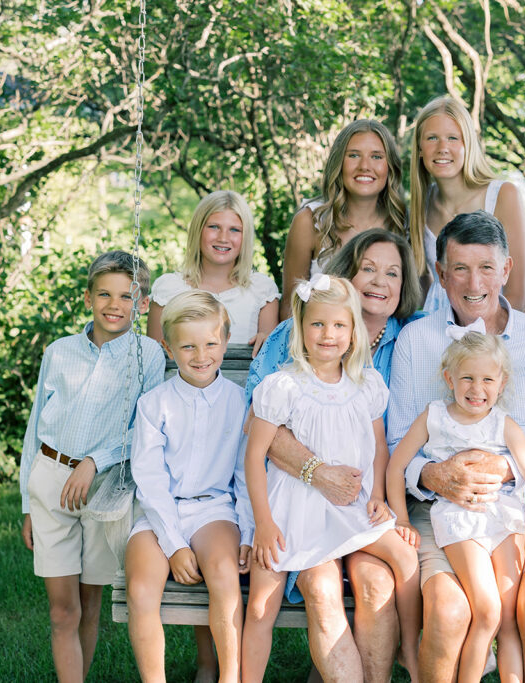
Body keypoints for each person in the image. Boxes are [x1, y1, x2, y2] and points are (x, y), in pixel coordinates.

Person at [387, 211, 525, 682]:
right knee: (446, 609)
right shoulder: (416, 341)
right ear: (441, 275)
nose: (473, 281)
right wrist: (432, 474)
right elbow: (398, 441)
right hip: (446, 506)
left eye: (486, 267)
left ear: (506, 270)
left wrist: (505, 471)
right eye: (460, 268)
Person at [244, 228, 424, 682]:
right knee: (264, 601)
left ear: (353, 333)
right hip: (296, 506)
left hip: (355, 503)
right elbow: (255, 452)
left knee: (403, 559)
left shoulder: (367, 384)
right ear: (300, 329)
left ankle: (413, 653)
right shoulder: (282, 384)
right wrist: (262, 522)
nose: (328, 334)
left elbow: (380, 447)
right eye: (318, 325)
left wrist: (382, 498)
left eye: (339, 326)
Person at [20, 250, 165, 683]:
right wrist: (27, 501)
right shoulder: (59, 352)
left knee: (91, 604)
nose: (113, 304)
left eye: (126, 296)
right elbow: (34, 430)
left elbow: (144, 427)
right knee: (63, 609)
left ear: (142, 304)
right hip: (50, 481)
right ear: (87, 298)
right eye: (104, 293)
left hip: (104, 489)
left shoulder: (149, 355)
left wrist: (93, 461)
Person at [387, 330, 525, 683]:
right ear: (449, 378)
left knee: (508, 619)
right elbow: (396, 465)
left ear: (502, 383)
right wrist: (400, 517)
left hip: (503, 519)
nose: (477, 389)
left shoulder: (502, 423)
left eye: (487, 379)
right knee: (488, 612)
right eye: (467, 378)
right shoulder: (435, 417)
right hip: (460, 519)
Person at [125, 291, 248, 683]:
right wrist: (175, 543)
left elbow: (246, 474)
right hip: (160, 511)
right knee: (142, 589)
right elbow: (149, 478)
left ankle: (228, 677)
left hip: (214, 510)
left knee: (225, 576)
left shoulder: (240, 401)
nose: (201, 355)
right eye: (188, 346)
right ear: (168, 348)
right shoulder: (154, 403)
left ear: (226, 342)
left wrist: (249, 529)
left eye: (211, 343)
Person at [408, 95, 525, 312]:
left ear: (468, 144)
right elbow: (422, 289)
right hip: (433, 327)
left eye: (453, 138)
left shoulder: (502, 195)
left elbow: (516, 295)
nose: (442, 148)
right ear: (419, 148)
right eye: (432, 138)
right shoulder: (419, 208)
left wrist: (490, 343)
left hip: (490, 332)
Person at [280, 119, 410, 320]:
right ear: (339, 163)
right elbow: (290, 305)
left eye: (376, 156)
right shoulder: (310, 221)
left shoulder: (403, 224)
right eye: (354, 155)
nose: (365, 166)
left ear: (390, 166)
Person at [147, 189, 278, 356]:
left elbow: (270, 361)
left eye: (234, 230)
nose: (223, 238)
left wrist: (267, 340)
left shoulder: (262, 291)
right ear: (198, 230)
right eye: (214, 227)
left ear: (245, 236)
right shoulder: (168, 289)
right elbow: (152, 360)